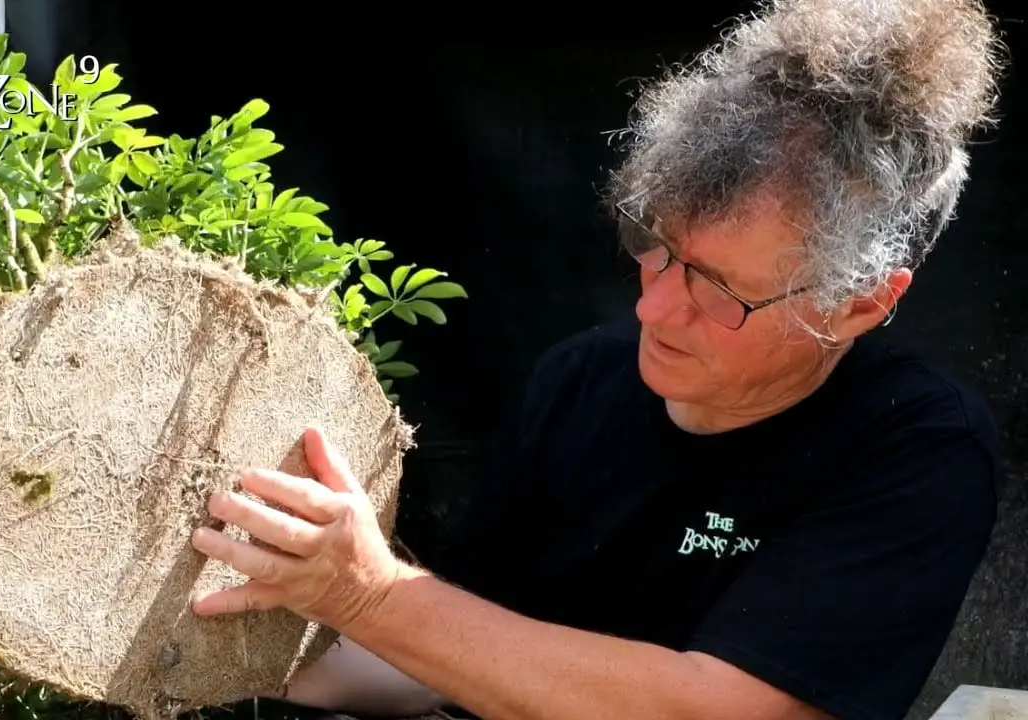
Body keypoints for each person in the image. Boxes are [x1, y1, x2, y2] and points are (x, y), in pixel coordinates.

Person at [186, 1, 1007, 718]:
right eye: (657, 248)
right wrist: (205, 642)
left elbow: (717, 712)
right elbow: (444, 656)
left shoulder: (919, 447)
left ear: (861, 304)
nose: (653, 306)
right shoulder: (587, 377)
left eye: (723, 290)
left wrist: (367, 591)